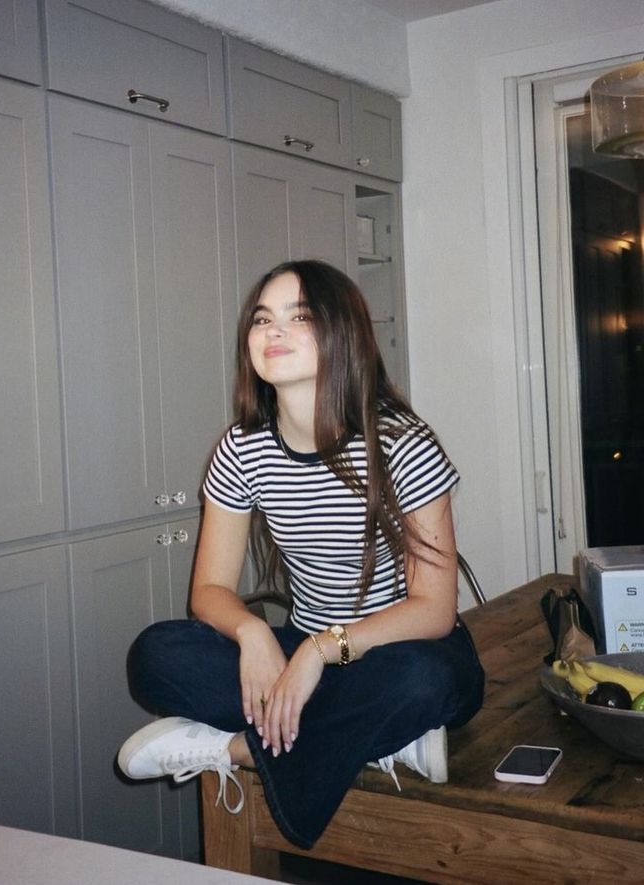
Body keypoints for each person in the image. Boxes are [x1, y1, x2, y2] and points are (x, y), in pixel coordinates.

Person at [118, 259, 485, 850]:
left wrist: (320, 651)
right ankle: (386, 740)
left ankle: (233, 749)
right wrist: (256, 637)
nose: (273, 331)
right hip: (299, 654)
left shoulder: (401, 443)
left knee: (428, 680)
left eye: (299, 316)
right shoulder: (242, 449)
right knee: (156, 655)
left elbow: (433, 609)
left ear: (343, 335)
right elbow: (208, 591)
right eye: (263, 319)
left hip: (393, 652)